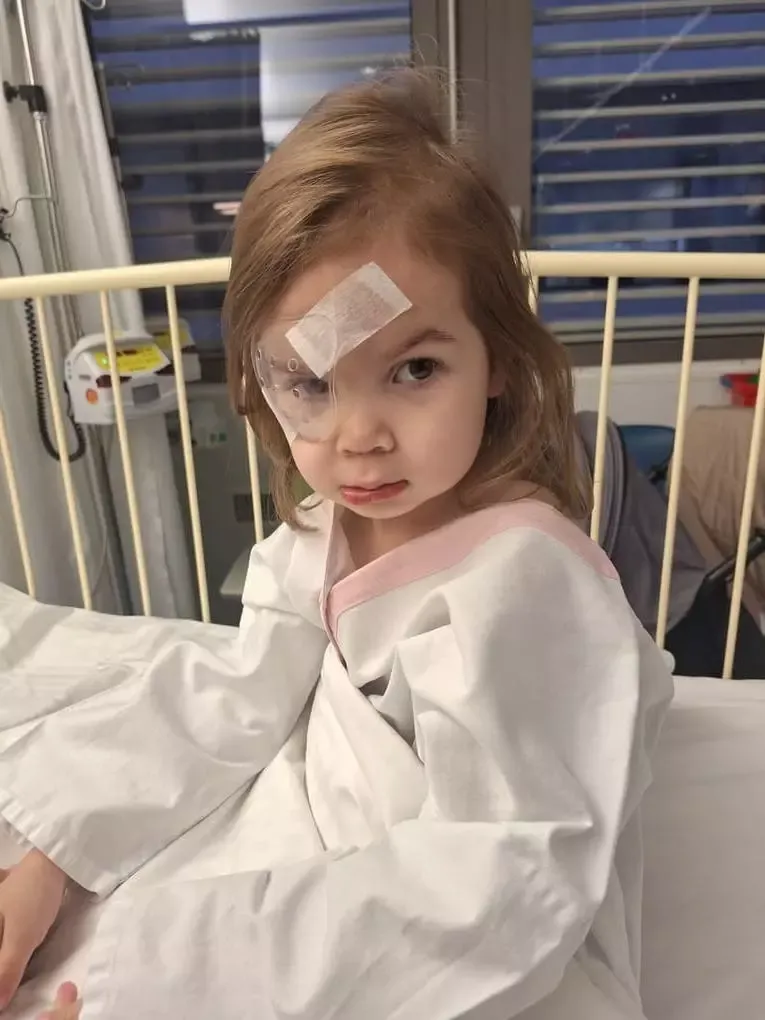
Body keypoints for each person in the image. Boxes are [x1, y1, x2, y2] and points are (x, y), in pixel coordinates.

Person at [0, 69, 672, 1020]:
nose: (359, 437)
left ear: (496, 358)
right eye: (309, 382)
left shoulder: (524, 589)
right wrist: (56, 858)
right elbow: (236, 692)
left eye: (414, 368)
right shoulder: (320, 532)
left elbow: (503, 885)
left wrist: (154, 970)